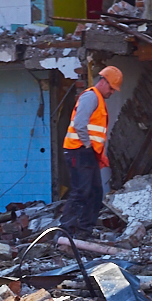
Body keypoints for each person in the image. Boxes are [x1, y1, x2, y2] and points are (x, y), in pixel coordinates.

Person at [62, 65, 123, 236]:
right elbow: (80, 123)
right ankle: (65, 232)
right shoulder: (91, 97)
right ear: (103, 82)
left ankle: (83, 232)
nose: (112, 92)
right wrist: (88, 144)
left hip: (85, 152)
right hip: (79, 151)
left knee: (95, 193)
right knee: (81, 191)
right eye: (111, 88)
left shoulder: (96, 99)